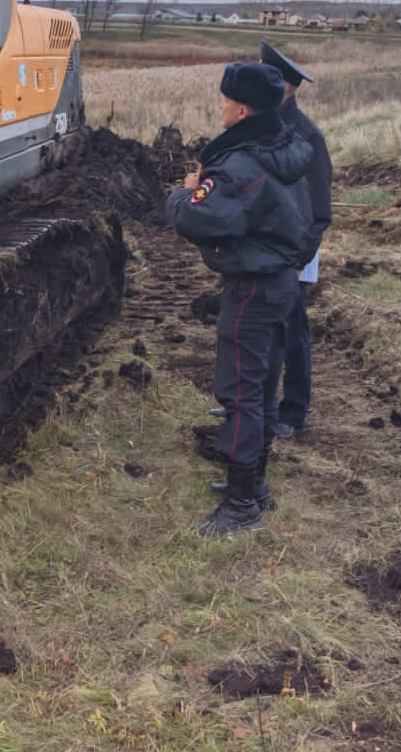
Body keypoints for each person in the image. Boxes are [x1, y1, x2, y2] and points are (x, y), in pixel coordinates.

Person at [168, 61, 314, 535]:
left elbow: (200, 219)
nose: (220, 106)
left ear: (243, 108)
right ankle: (257, 484)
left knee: (241, 392)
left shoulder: (240, 166)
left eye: (225, 99)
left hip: (252, 289)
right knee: (264, 383)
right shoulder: (288, 146)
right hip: (281, 283)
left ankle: (241, 502)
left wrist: (184, 195)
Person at [260, 41, 332, 440]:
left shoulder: (306, 135)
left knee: (292, 331)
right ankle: (260, 402)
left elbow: (319, 207)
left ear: (282, 87)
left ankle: (292, 411)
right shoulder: (267, 126)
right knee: (263, 332)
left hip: (293, 251)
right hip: (268, 248)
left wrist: (299, 258)